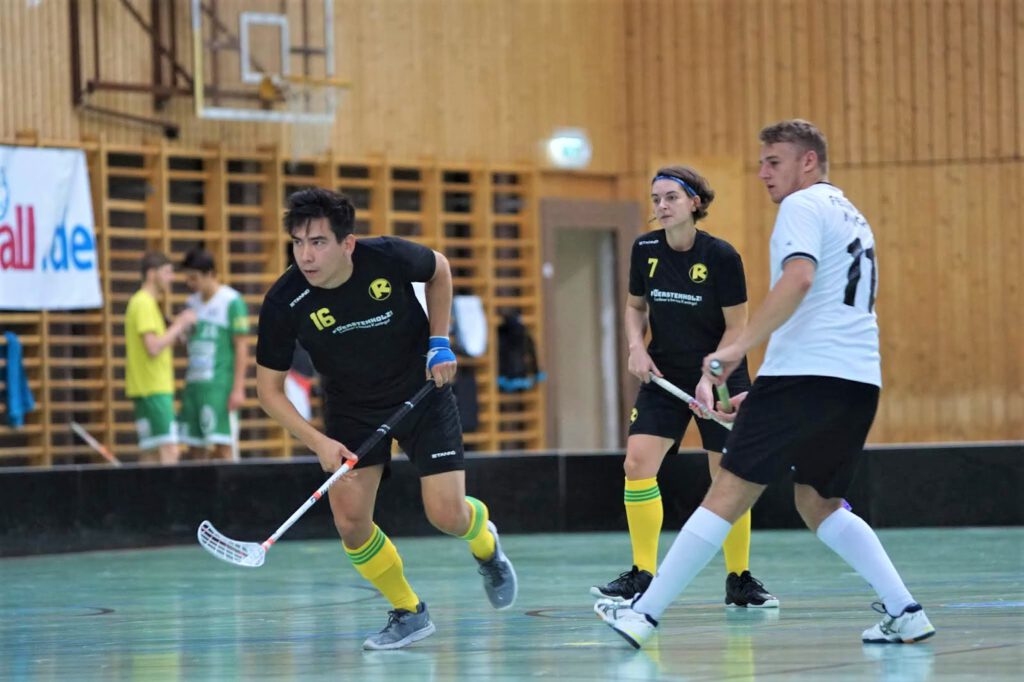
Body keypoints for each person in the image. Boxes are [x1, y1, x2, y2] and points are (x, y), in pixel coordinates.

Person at [595, 119, 935, 648]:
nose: (762, 173)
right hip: (857, 378)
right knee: (819, 502)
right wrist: (761, 393)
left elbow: (798, 279)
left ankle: (644, 614)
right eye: (761, 162)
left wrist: (732, 351)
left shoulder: (801, 207)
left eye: (773, 161)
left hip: (805, 372)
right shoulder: (852, 214)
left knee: (726, 489)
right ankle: (905, 610)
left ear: (808, 161)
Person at [254, 187, 518, 650]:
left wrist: (440, 340)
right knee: (350, 521)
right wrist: (317, 441)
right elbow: (268, 391)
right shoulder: (284, 302)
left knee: (447, 514)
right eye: (297, 243)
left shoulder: (387, 256)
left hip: (422, 391)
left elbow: (439, 269)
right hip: (352, 408)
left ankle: (485, 544)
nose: (306, 256)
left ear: (347, 243)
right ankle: (408, 610)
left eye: (318, 242)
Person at [590, 165, 778, 609]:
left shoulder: (722, 257)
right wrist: (636, 347)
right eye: (656, 199)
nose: (661, 206)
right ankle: (643, 574)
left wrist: (711, 374)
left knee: (727, 476)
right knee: (637, 463)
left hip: (722, 371)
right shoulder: (645, 249)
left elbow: (738, 328)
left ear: (695, 202)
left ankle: (739, 579)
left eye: (671, 197)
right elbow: (635, 307)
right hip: (664, 373)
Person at [178, 248, 250, 460]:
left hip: (219, 386)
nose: (191, 284)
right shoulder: (191, 303)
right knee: (194, 448)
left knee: (222, 445)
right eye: (188, 278)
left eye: (194, 278)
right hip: (194, 385)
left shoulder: (231, 301)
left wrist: (238, 388)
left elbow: (242, 346)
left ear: (210, 274)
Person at [124, 251, 195, 464]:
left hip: (146, 388)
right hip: (154, 389)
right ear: (151, 274)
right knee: (169, 450)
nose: (171, 278)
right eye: (166, 272)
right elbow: (153, 347)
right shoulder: (144, 303)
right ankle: (172, 497)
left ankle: (146, 497)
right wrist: (180, 324)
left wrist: (176, 331)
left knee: (151, 453)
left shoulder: (146, 303)